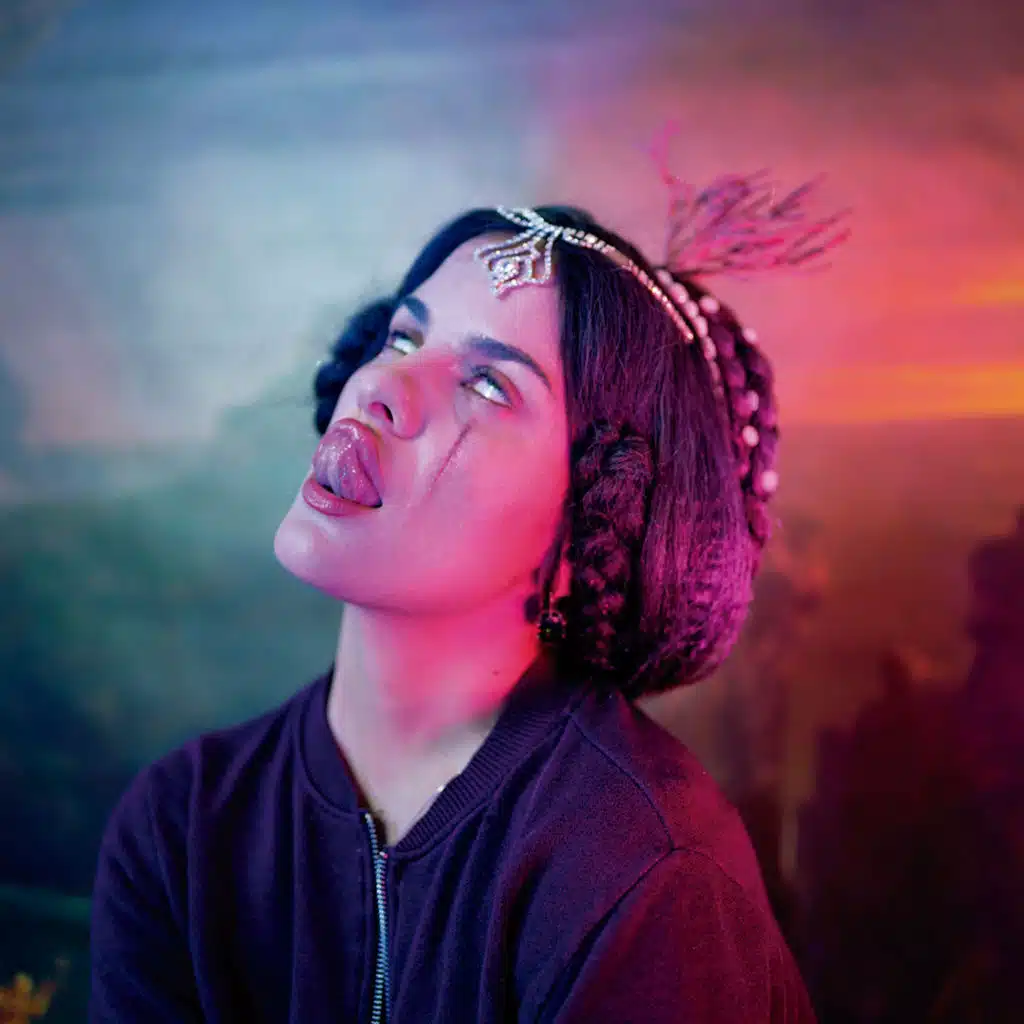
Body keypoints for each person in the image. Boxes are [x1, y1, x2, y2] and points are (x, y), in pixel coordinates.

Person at [90, 147, 844, 1021]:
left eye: (487, 384)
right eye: (402, 338)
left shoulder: (643, 871)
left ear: (598, 516)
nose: (382, 386)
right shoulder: (182, 828)